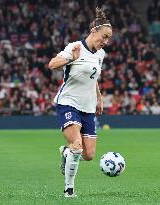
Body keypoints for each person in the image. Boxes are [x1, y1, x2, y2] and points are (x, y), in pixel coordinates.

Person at [48, 7, 112, 197]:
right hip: (68, 102)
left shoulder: (100, 54)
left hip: (88, 106)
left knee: (88, 155)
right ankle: (69, 190)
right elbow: (52, 64)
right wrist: (70, 59)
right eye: (104, 37)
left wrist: (99, 98)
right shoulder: (75, 47)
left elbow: (93, 78)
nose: (105, 42)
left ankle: (67, 154)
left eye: (108, 38)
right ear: (94, 31)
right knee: (76, 144)